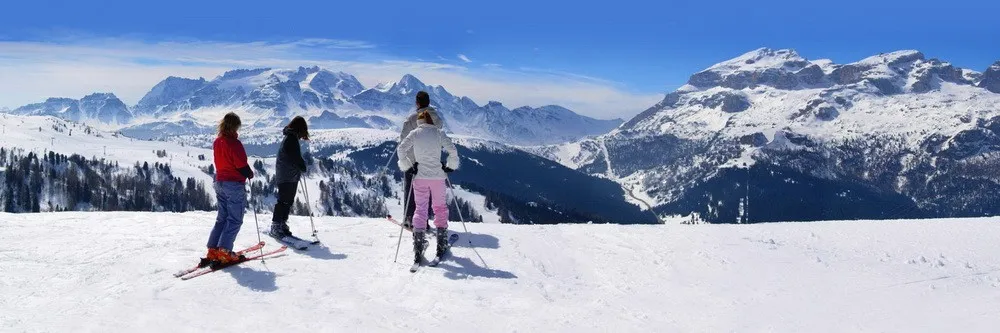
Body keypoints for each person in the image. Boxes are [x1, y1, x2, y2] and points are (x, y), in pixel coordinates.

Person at [397, 110, 459, 263]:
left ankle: (418, 247)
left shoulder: (414, 133)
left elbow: (401, 149)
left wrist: (408, 166)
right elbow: (453, 151)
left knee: (420, 209)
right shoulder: (439, 133)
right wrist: (450, 166)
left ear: (418, 122)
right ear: (431, 121)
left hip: (420, 177)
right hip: (438, 177)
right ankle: (441, 243)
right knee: (440, 208)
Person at [205, 112, 254, 266]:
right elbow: (240, 164)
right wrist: (249, 173)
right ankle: (225, 251)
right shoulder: (234, 143)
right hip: (233, 184)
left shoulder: (217, 141)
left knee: (222, 217)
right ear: (235, 126)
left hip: (219, 181)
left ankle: (213, 249)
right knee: (234, 219)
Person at [399, 91, 443, 228]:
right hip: (430, 160)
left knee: (411, 189)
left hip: (413, 160)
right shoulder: (437, 119)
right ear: (429, 102)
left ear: (417, 103)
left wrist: (407, 160)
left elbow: (403, 140)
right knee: (427, 191)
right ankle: (423, 220)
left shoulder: (412, 119)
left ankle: (410, 218)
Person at [269, 116, 309, 239]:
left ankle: (281, 224)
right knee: (284, 200)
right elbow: (295, 156)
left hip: (288, 174)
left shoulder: (290, 137)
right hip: (287, 175)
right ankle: (276, 225)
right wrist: (302, 165)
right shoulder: (291, 139)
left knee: (287, 200)